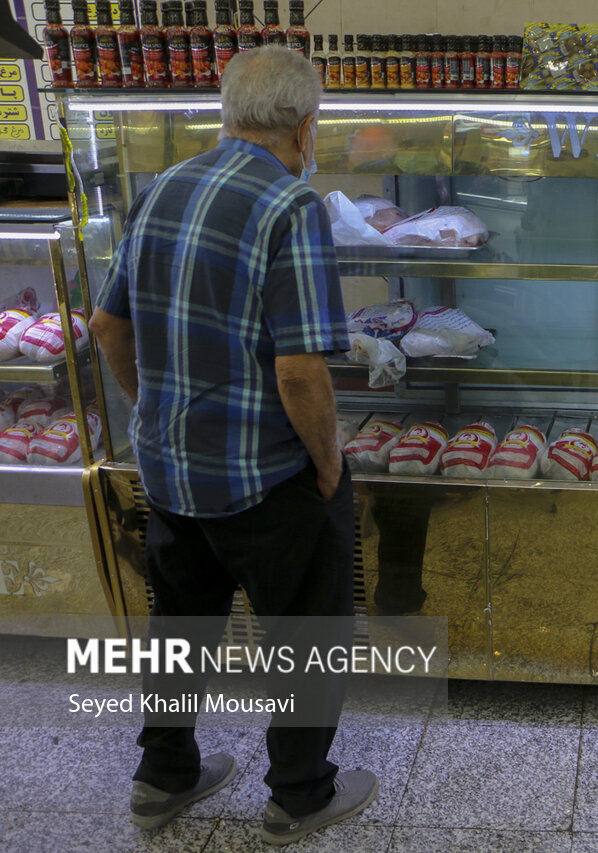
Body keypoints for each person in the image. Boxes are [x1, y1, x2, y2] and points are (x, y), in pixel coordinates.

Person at [89, 45, 376, 846]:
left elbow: (107, 324)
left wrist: (153, 411)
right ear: (306, 126)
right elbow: (299, 371)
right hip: (265, 479)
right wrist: (327, 465)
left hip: (172, 475)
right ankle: (299, 794)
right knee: (306, 631)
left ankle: (164, 776)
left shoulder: (162, 189)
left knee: (179, 627)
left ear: (227, 112)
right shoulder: (290, 205)